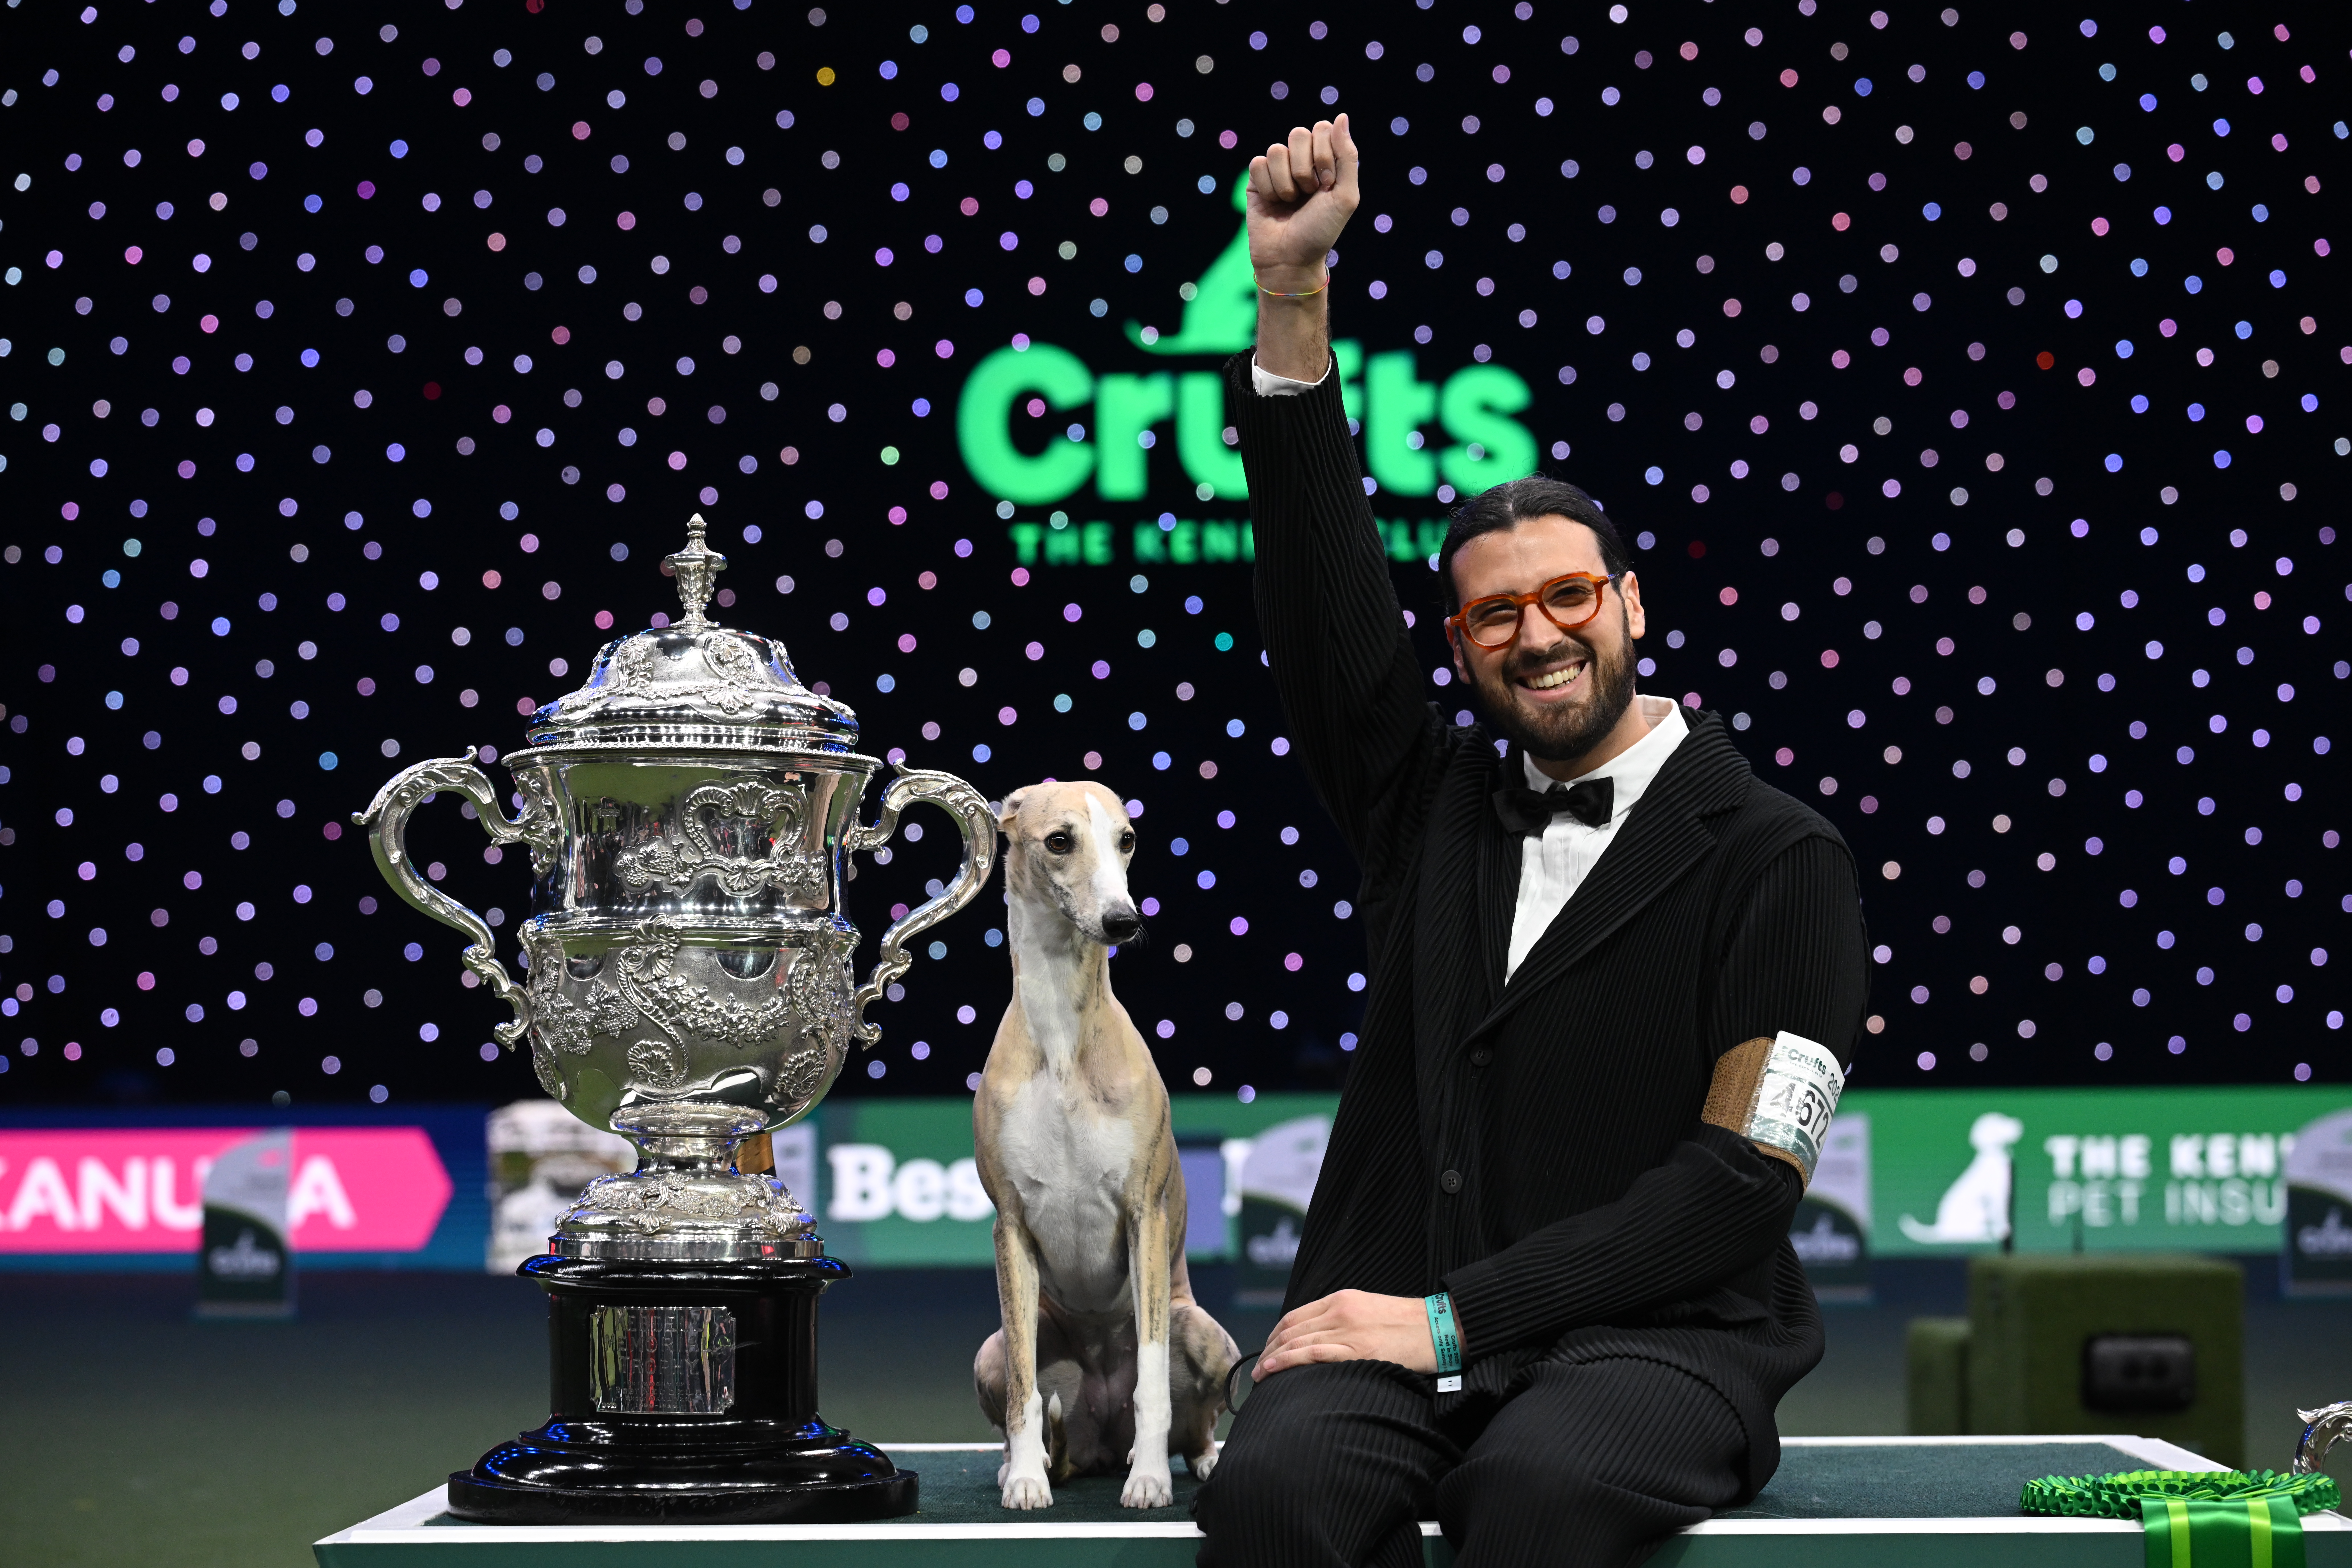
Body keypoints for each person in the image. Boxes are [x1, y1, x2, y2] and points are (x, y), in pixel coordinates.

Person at [1191, 115, 1871, 1568]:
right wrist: (1293, 305)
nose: (1537, 634)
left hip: (1655, 1345)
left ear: (1629, 604)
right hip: (1392, 1323)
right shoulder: (1429, 805)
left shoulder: (1778, 855)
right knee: (1264, 1495)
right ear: (1461, 645)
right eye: (1495, 613)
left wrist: (1458, 1317)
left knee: (1537, 1500)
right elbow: (1322, 604)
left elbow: (1742, 1181)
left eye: (1567, 597)